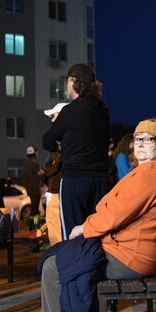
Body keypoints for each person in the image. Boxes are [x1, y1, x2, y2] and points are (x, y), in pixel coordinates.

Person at [29, 118, 156, 312]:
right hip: (130, 250)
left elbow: (116, 213)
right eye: (137, 138)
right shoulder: (150, 171)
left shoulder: (152, 173)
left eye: (148, 139)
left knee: (55, 264)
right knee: (66, 256)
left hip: (130, 256)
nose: (140, 144)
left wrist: (85, 228)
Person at [42, 63, 111, 239]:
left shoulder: (70, 111)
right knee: (97, 233)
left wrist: (58, 124)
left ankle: (74, 266)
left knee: (73, 234)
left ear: (74, 81)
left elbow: (47, 141)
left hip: (75, 179)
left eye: (67, 80)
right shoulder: (102, 110)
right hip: (101, 180)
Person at [22, 146, 44, 217]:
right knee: (35, 209)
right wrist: (42, 174)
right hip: (35, 190)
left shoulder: (25, 164)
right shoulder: (35, 165)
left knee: (33, 208)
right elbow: (39, 176)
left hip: (29, 189)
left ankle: (32, 223)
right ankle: (33, 225)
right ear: (34, 154)